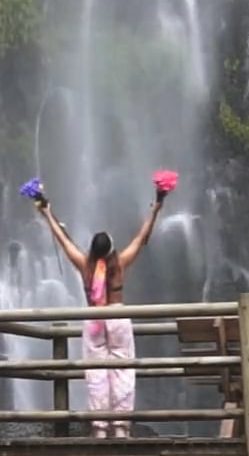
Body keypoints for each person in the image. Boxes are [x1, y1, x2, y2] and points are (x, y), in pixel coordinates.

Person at [32, 181, 168, 438]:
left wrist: (46, 211)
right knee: (122, 369)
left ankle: (100, 427)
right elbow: (141, 237)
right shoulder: (120, 264)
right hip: (116, 316)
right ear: (111, 250)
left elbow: (62, 240)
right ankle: (121, 427)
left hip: (93, 318)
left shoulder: (85, 265)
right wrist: (156, 208)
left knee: (95, 372)